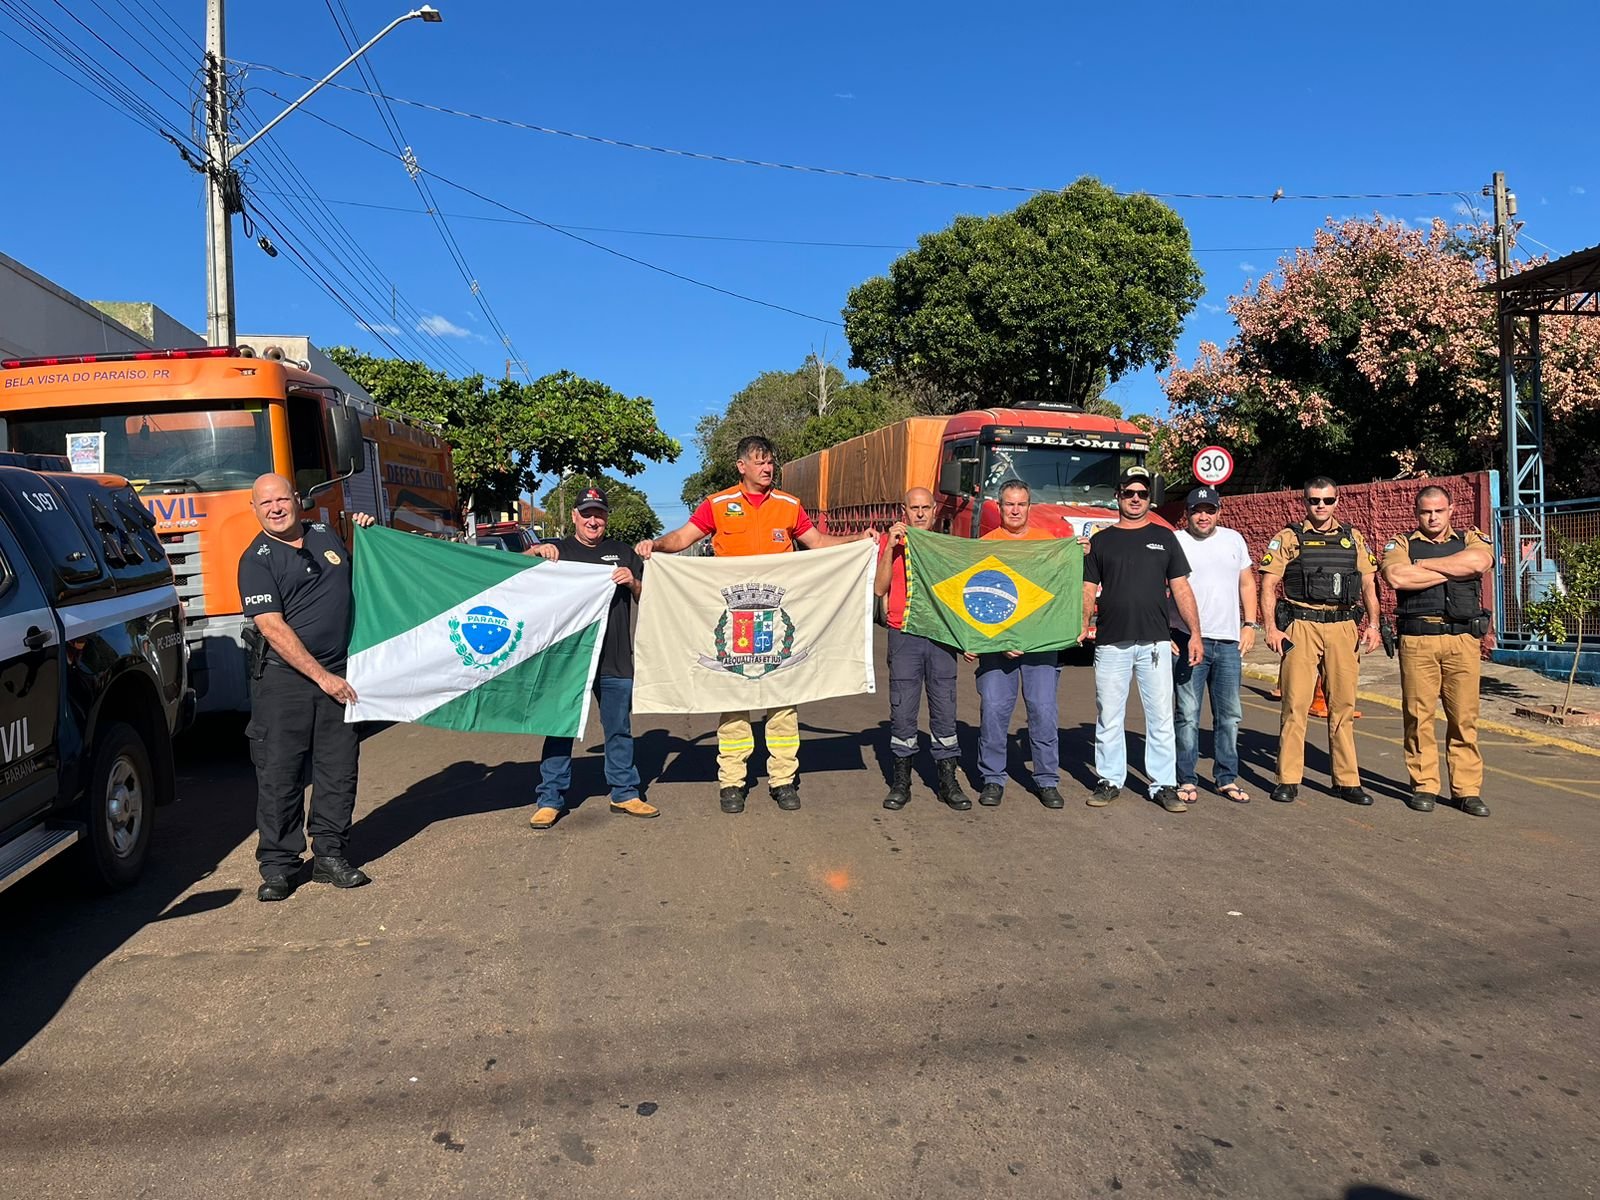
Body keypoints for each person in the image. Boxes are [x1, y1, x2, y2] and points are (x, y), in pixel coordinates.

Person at [637, 436, 872, 813]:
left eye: (771, 462)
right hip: (734, 626)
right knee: (732, 701)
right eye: (760, 462)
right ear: (741, 466)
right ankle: (732, 781)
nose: (768, 468)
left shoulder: (789, 506)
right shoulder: (718, 504)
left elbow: (818, 543)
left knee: (782, 703)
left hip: (776, 623)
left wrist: (858, 539)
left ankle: (783, 780)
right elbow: (683, 537)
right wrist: (657, 545)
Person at [237, 474, 375, 902]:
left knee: (338, 771)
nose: (276, 508)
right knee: (280, 776)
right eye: (266, 503)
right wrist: (323, 677)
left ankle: (330, 855)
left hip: (339, 673)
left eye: (282, 499)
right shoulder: (255, 560)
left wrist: (367, 534)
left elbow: (367, 574)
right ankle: (279, 866)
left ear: (298, 501)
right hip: (284, 682)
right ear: (255, 509)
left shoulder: (325, 533)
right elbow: (272, 628)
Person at [525, 486, 657, 829]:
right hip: (569, 659)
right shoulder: (559, 551)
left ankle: (625, 792)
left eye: (599, 514)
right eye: (587, 514)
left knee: (618, 728)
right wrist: (537, 550)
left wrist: (632, 583)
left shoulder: (622, 553)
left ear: (606, 518)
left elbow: (650, 599)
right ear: (574, 516)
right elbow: (517, 570)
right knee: (560, 727)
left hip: (614, 657)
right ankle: (549, 798)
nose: (593, 520)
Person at [1081, 467, 1203, 813]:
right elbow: (1087, 588)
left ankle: (1163, 784)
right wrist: (1080, 623)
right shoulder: (1101, 541)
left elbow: (1180, 587)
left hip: (1154, 643)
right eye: (1129, 493)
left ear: (1150, 498)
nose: (1136, 498)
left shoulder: (1165, 537)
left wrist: (1195, 633)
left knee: (1161, 716)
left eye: (1143, 494)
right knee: (1109, 714)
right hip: (1110, 642)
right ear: (1117, 496)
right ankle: (1109, 779)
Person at [1260, 477, 1382, 805]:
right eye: (1314, 500)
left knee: (1342, 706)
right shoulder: (1289, 537)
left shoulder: (1353, 537)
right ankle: (1288, 778)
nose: (1321, 507)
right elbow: (1269, 584)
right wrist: (1271, 628)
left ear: (1337, 501)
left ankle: (1347, 781)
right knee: (1295, 704)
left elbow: (1369, 584)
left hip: (1344, 627)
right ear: (1305, 502)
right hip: (1302, 624)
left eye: (1327, 501)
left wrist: (1374, 625)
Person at [1379, 486, 1493, 817]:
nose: (1433, 517)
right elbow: (1397, 576)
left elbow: (1479, 561)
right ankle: (1425, 785)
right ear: (1417, 513)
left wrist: (1425, 566)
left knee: (1464, 717)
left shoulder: (1471, 538)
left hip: (1462, 641)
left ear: (1451, 510)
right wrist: (1453, 566)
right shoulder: (1401, 544)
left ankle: (1467, 790)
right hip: (1419, 640)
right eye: (1426, 512)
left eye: (1439, 511)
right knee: (1418, 716)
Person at [968, 480, 1066, 809]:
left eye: (1021, 504)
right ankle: (993, 778)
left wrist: (1078, 553)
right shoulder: (985, 545)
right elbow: (975, 599)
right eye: (1009, 504)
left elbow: (1059, 593)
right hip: (998, 646)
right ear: (999, 506)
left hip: (1039, 646)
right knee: (994, 711)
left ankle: (1046, 779)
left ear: (1029, 507)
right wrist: (986, 639)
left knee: (1042, 711)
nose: (1014, 510)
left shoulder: (1048, 544)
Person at [875, 487, 970, 811]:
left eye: (925, 508)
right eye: (913, 508)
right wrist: (889, 547)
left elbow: (961, 596)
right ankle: (901, 782)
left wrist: (966, 638)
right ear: (904, 510)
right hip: (905, 635)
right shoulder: (895, 545)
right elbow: (879, 587)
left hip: (941, 637)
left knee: (945, 709)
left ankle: (948, 781)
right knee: (902, 711)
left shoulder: (947, 547)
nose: (919, 513)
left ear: (934, 511)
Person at [1172, 486, 1258, 805]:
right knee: (1187, 713)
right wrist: (1165, 631)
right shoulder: (1176, 541)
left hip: (1228, 641)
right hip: (1187, 638)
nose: (1203, 516)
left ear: (1219, 512)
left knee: (1229, 715)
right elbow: (1159, 588)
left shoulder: (1234, 540)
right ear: (1188, 514)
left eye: (1209, 510)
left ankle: (1226, 777)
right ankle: (1186, 778)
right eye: (1197, 510)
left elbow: (1247, 582)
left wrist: (1250, 625)